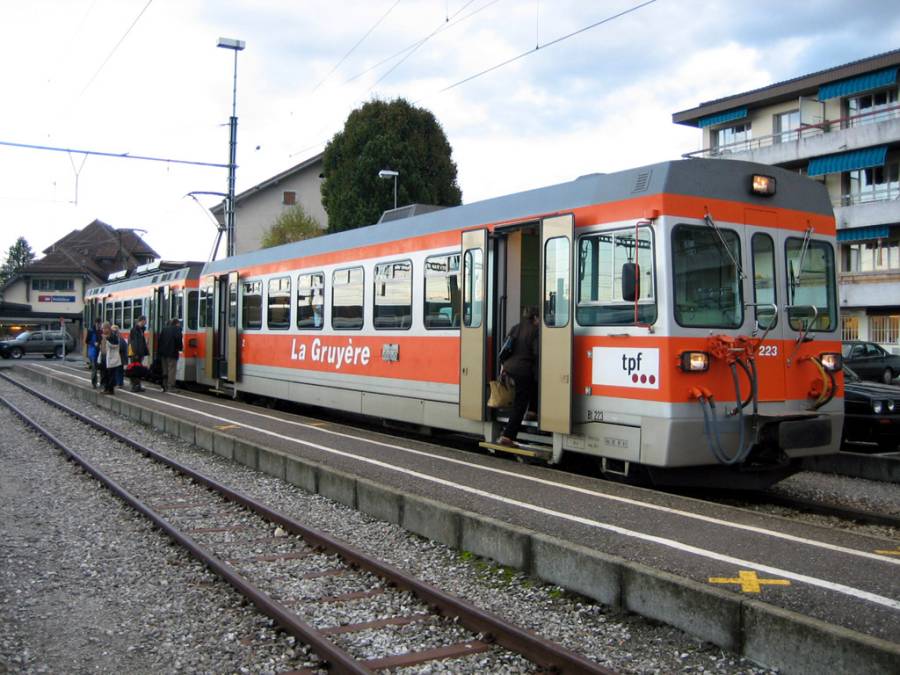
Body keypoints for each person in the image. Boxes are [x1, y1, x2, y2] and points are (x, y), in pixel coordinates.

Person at [497, 306, 540, 447]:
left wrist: (503, 368)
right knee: (520, 404)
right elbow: (536, 352)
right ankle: (508, 435)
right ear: (535, 318)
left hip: (509, 368)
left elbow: (506, 347)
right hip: (523, 370)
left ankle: (533, 412)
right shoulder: (535, 331)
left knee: (533, 383)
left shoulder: (515, 328)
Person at [157, 317, 183, 392]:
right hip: (172, 353)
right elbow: (179, 341)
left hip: (163, 353)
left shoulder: (164, 329)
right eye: (179, 323)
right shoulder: (177, 330)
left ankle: (164, 385)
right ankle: (171, 386)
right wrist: (180, 348)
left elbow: (160, 341)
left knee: (165, 369)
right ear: (177, 323)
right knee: (172, 369)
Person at [99, 323, 124, 394]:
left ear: (108, 329)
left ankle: (110, 389)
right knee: (104, 374)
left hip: (111, 358)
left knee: (110, 374)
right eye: (102, 328)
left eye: (104, 328)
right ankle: (105, 388)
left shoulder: (113, 336)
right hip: (103, 357)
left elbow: (115, 345)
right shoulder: (102, 336)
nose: (103, 330)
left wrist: (107, 339)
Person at [128, 316, 149, 392]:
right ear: (141, 321)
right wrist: (136, 353)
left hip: (139, 353)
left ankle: (138, 385)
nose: (145, 322)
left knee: (138, 369)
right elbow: (134, 343)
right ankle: (134, 386)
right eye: (145, 321)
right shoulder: (135, 330)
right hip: (136, 354)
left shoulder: (140, 330)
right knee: (134, 370)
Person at [85, 319, 102, 388]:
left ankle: (100, 382)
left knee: (100, 367)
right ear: (95, 323)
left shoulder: (100, 331)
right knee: (94, 367)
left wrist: (100, 344)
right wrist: (93, 343)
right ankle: (94, 383)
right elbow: (87, 341)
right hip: (93, 351)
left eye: (100, 324)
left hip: (99, 351)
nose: (99, 325)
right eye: (98, 324)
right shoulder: (91, 331)